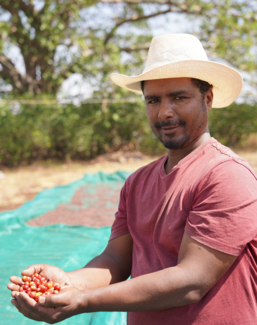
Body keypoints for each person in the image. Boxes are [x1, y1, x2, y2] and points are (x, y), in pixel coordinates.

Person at [8, 34, 257, 324]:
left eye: (179, 97)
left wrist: (83, 300)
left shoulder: (227, 176)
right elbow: (116, 259)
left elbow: (192, 281)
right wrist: (68, 282)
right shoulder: (137, 183)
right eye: (153, 100)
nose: (165, 111)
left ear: (208, 98)